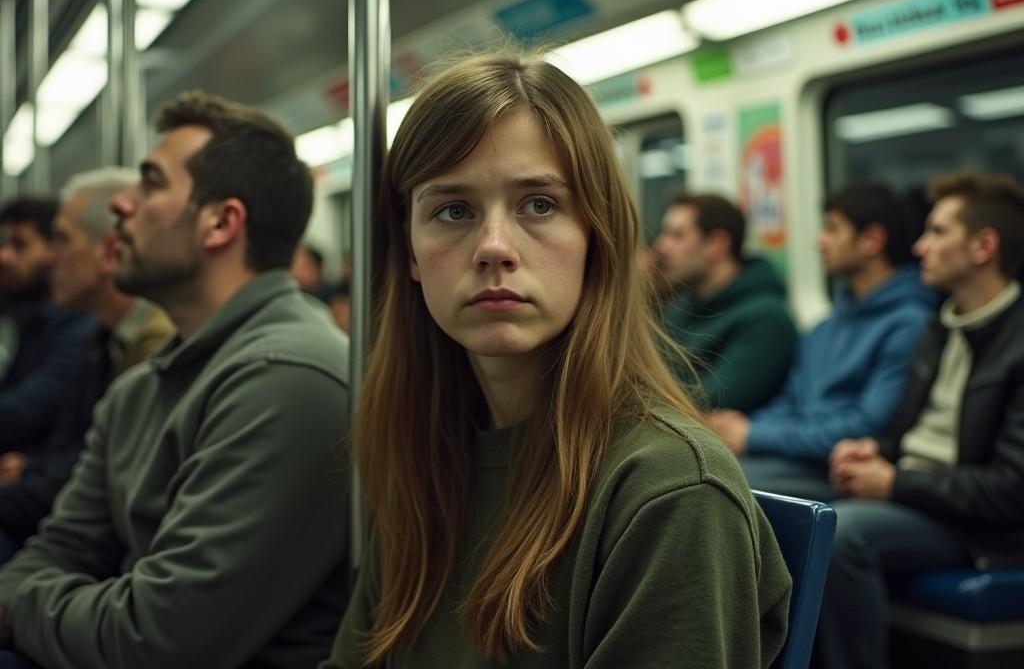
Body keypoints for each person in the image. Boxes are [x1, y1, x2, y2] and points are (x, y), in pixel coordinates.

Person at [322, 54, 790, 669]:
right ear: (409, 252)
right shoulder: (431, 456)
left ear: (596, 237)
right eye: (452, 210)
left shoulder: (671, 493)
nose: (494, 247)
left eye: (539, 205)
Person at [0, 92, 351, 669]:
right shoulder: (141, 386)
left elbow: (161, 642)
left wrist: (18, 608)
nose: (121, 204)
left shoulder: (285, 379)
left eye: (150, 184)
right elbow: (58, 548)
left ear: (220, 222)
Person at [819, 172, 1024, 669]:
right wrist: (874, 452)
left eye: (937, 232)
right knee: (799, 510)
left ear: (983, 247)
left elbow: (1011, 490)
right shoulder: (939, 328)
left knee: (838, 535)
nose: (918, 246)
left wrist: (895, 483)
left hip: (979, 529)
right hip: (920, 497)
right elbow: (904, 432)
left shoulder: (1016, 345)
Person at [711, 183, 933, 500]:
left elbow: (868, 424)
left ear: (871, 240)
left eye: (832, 229)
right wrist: (740, 429)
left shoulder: (908, 325)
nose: (820, 241)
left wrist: (755, 435)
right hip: (792, 457)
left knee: (717, 486)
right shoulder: (824, 328)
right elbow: (792, 400)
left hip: (833, 467)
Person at [0, 170, 175, 560]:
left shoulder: (151, 345)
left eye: (61, 240)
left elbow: (114, 487)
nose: (49, 258)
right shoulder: (101, 339)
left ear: (110, 252)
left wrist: (30, 475)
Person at [653, 193, 797, 411]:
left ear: (716, 245)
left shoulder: (766, 320)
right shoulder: (681, 308)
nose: (661, 246)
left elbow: (706, 404)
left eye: (677, 235)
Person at [0, 199, 95, 454]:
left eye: (19, 245)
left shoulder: (81, 324)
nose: (4, 257)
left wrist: (32, 467)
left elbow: (28, 411)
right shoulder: (34, 320)